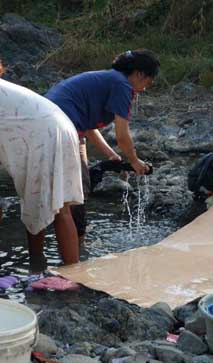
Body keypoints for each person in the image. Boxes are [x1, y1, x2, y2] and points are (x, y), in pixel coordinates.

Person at [0, 49, 83, 268]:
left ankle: (36, 267)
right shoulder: (1, 93)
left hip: (43, 135)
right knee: (61, 207)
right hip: (63, 129)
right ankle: (74, 271)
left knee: (33, 202)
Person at [45, 49, 159, 241]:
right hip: (58, 128)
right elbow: (122, 135)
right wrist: (135, 161)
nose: (146, 88)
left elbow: (88, 126)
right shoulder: (122, 85)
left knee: (76, 189)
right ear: (139, 74)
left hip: (56, 125)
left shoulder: (110, 80)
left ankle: (73, 239)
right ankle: (75, 252)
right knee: (75, 192)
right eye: (148, 81)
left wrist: (110, 155)